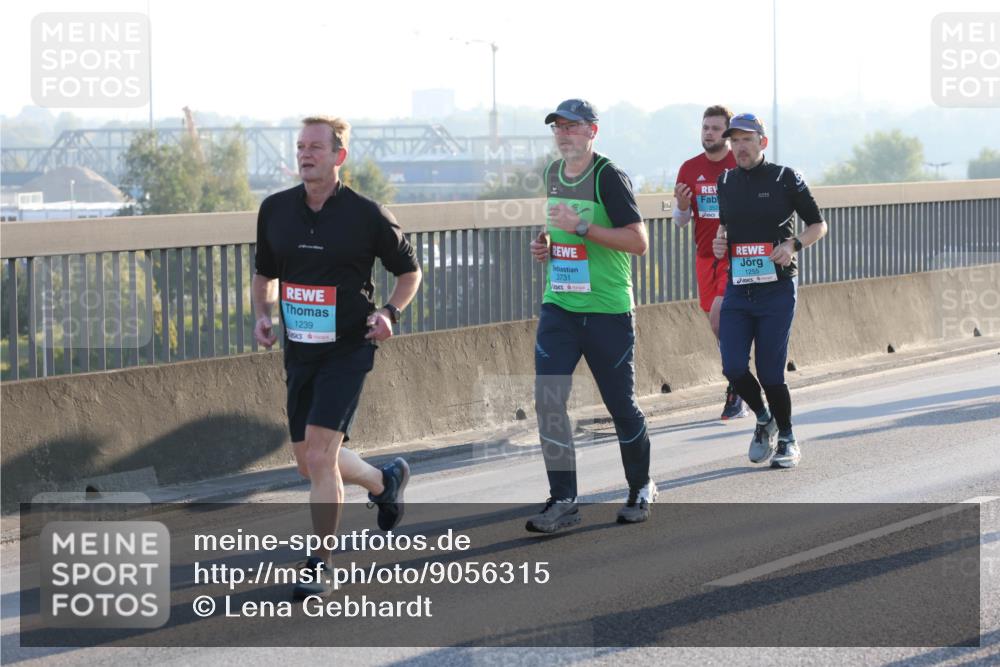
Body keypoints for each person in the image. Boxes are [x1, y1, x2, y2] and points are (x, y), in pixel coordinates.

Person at [252, 116, 422, 598]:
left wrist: (389, 312)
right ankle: (384, 482)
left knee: (323, 456)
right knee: (307, 462)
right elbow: (264, 273)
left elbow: (410, 273)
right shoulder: (275, 210)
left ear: (338, 156)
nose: (306, 154)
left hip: (349, 348)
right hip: (299, 350)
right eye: (301, 146)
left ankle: (320, 563)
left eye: (316, 147)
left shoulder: (368, 215)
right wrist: (261, 314)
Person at [526, 99, 655, 534]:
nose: (564, 134)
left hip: (606, 311)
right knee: (549, 402)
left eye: (573, 126)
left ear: (592, 132)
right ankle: (563, 499)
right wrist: (545, 243)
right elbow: (557, 228)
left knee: (620, 406)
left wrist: (585, 229)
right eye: (558, 127)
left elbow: (638, 242)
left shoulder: (607, 176)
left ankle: (640, 487)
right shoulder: (552, 174)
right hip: (560, 305)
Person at [712, 113, 828, 469]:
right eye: (734, 141)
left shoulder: (785, 178)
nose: (740, 147)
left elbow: (818, 225)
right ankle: (764, 418)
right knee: (732, 367)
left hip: (777, 290)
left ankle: (789, 438)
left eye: (747, 139)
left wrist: (793, 245)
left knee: (771, 373)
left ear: (762, 142)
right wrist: (720, 241)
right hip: (739, 288)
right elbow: (726, 226)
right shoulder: (726, 180)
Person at [673, 105, 749, 421]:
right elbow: (680, 221)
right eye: (705, 127)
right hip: (705, 256)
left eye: (716, 128)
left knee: (722, 316)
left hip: (734, 257)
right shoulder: (689, 169)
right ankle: (739, 377)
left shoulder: (740, 165)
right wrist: (680, 204)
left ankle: (736, 386)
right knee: (717, 324)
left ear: (727, 134)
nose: (709, 133)